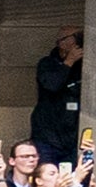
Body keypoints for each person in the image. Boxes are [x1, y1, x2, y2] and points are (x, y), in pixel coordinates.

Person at [31, 25, 83, 167]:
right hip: (48, 135)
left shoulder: (84, 66)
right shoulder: (47, 64)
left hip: (72, 136)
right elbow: (52, 85)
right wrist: (68, 63)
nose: (79, 41)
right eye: (75, 37)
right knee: (46, 173)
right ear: (61, 42)